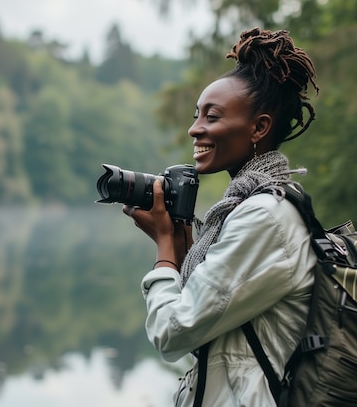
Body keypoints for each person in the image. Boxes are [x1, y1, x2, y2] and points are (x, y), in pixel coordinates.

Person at [122, 27, 320, 407]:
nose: (195, 128)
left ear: (259, 128)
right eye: (197, 115)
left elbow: (172, 333)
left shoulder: (265, 217)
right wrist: (183, 249)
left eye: (211, 117)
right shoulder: (258, 207)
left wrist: (165, 249)